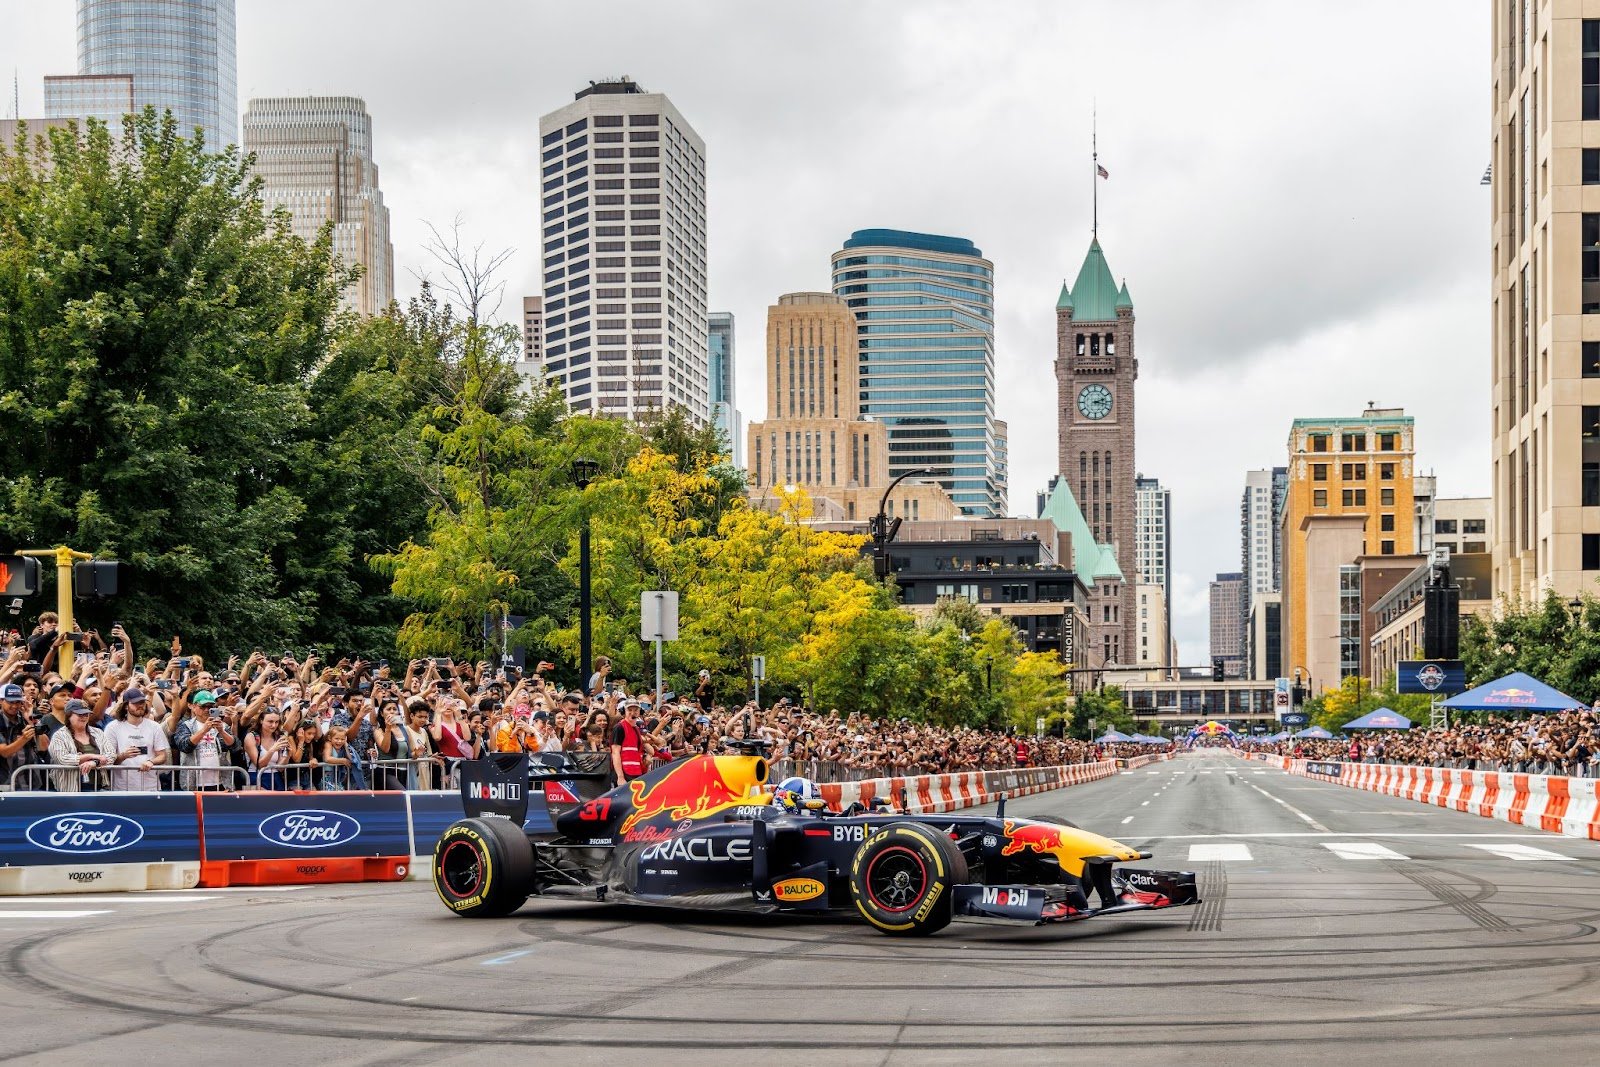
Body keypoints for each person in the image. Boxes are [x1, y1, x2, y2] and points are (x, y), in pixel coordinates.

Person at [104, 688, 170, 791]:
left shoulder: (154, 726)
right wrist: (124, 756)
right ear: (126, 706)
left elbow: (162, 756)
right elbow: (107, 759)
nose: (140, 706)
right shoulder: (113, 727)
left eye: (142, 702)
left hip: (150, 787)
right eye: (135, 703)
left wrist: (151, 762)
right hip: (122, 788)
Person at [47, 698, 115, 792]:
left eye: (86, 714)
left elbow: (111, 754)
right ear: (69, 715)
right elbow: (62, 758)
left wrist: (94, 763)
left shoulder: (98, 732)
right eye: (80, 714)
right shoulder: (59, 735)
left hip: (99, 788)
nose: (84, 717)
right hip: (71, 789)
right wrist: (92, 756)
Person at [0, 682, 40, 789]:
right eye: (10, 702)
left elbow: (43, 747)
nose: (14, 706)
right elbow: (4, 752)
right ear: (1, 701)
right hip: (5, 783)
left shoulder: (25, 717)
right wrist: (24, 739)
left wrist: (30, 720)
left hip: (31, 782)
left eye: (18, 702)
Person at [244, 708, 291, 790]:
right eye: (270, 721)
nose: (274, 725)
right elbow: (260, 764)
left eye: (277, 722)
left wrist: (288, 755)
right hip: (257, 777)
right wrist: (272, 750)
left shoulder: (278, 737)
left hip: (276, 778)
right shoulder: (251, 737)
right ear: (261, 720)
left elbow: (280, 768)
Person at [611, 698, 649, 783]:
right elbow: (615, 752)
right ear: (624, 711)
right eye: (629, 710)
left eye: (636, 710)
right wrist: (620, 777)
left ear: (640, 712)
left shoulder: (636, 729)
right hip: (624, 774)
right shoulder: (619, 727)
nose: (633, 712)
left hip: (636, 772)